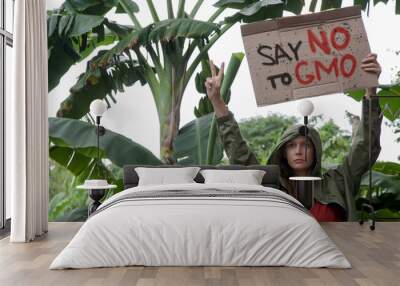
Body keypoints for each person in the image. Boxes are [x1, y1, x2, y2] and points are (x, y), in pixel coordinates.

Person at [205, 53, 383, 222]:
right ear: (283, 152)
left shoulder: (337, 181)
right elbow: (239, 153)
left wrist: (371, 90)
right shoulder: (269, 185)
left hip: (334, 252)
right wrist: (217, 101)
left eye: (305, 145)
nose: (298, 151)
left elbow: (365, 146)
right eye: (291, 146)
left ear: (315, 150)